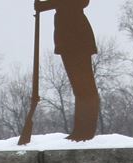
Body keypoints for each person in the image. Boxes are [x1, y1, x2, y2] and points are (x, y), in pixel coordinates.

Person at [34, 0, 100, 141]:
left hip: (76, 38)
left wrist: (43, 6)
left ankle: (85, 131)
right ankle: (80, 130)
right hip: (67, 38)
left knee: (85, 88)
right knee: (80, 89)